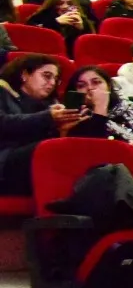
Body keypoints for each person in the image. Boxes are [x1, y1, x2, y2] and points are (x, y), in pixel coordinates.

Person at [0, 55, 82, 192]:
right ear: (25, 75)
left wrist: (63, 131)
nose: (52, 83)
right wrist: (47, 117)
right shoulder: (3, 92)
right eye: (47, 76)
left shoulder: (51, 105)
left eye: (56, 79)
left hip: (33, 169)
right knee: (51, 149)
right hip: (5, 162)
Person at [62, 65, 133, 154]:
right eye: (81, 85)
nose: (90, 88)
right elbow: (95, 151)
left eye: (96, 82)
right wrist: (100, 108)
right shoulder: (77, 118)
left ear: (109, 86)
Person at [29, 0, 95, 50]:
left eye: (69, 4)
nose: (65, 6)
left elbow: (89, 47)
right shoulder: (41, 16)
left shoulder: (81, 20)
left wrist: (82, 29)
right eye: (60, 3)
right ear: (53, 4)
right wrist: (55, 22)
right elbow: (33, 38)